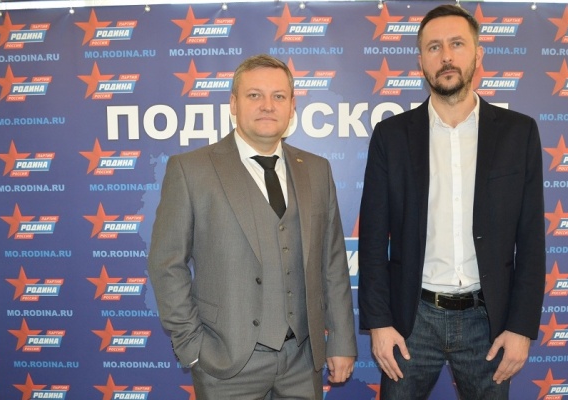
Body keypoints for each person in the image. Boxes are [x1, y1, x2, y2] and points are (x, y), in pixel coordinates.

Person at [358, 4, 545, 399]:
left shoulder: (519, 133)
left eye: (457, 44)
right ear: (420, 61)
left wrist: (521, 327)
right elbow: (372, 240)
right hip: (412, 320)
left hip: (489, 322)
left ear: (478, 54)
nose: (445, 56)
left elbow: (531, 240)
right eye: (434, 47)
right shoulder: (391, 137)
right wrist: (379, 323)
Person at [148, 54, 357, 400]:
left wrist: (341, 341)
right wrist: (192, 345)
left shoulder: (316, 170)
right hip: (224, 363)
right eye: (254, 95)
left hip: (303, 361)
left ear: (292, 106)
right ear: (234, 104)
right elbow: (166, 263)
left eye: (278, 96)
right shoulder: (191, 170)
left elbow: (332, 263)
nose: (267, 105)